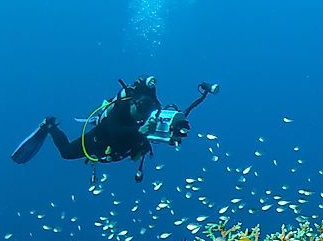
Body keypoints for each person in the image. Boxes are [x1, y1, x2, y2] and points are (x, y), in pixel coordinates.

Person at [13, 76, 218, 181]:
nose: (140, 117)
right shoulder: (120, 108)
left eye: (143, 115)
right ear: (133, 103)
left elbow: (150, 134)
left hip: (121, 149)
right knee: (66, 153)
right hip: (100, 140)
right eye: (138, 112)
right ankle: (49, 127)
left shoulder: (148, 113)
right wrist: (140, 131)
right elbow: (112, 130)